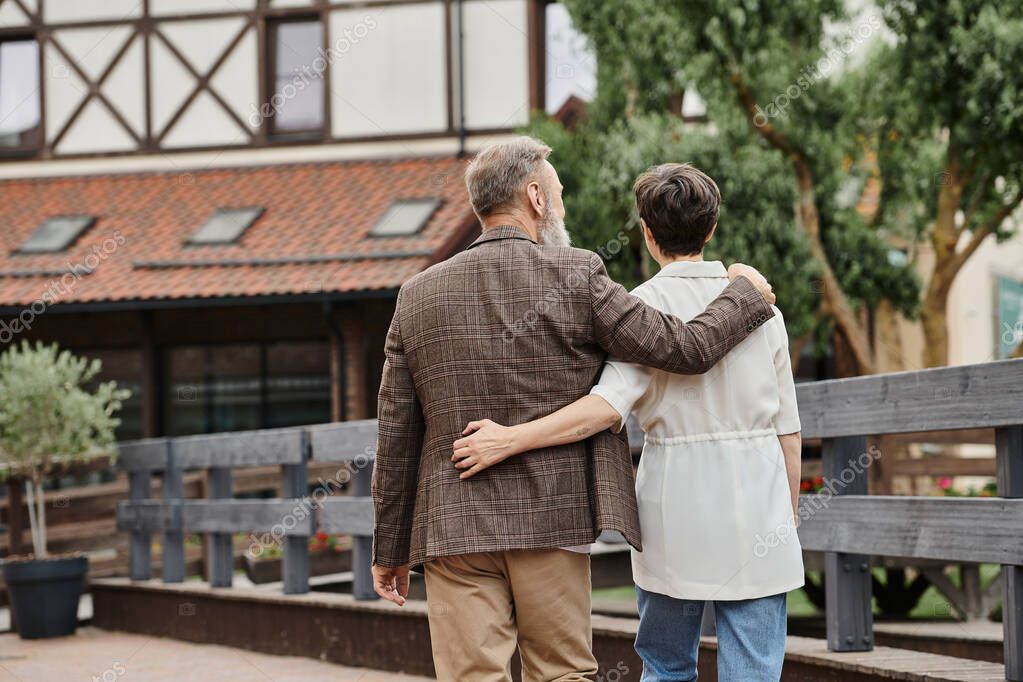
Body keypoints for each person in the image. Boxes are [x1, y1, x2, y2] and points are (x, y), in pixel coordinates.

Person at [371, 138, 777, 682]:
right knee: (562, 674)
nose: (561, 207)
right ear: (535, 197)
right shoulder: (578, 275)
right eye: (557, 194)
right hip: (553, 517)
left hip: (453, 527)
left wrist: (390, 547)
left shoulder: (417, 294)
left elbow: (396, 434)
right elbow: (685, 350)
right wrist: (745, 293)